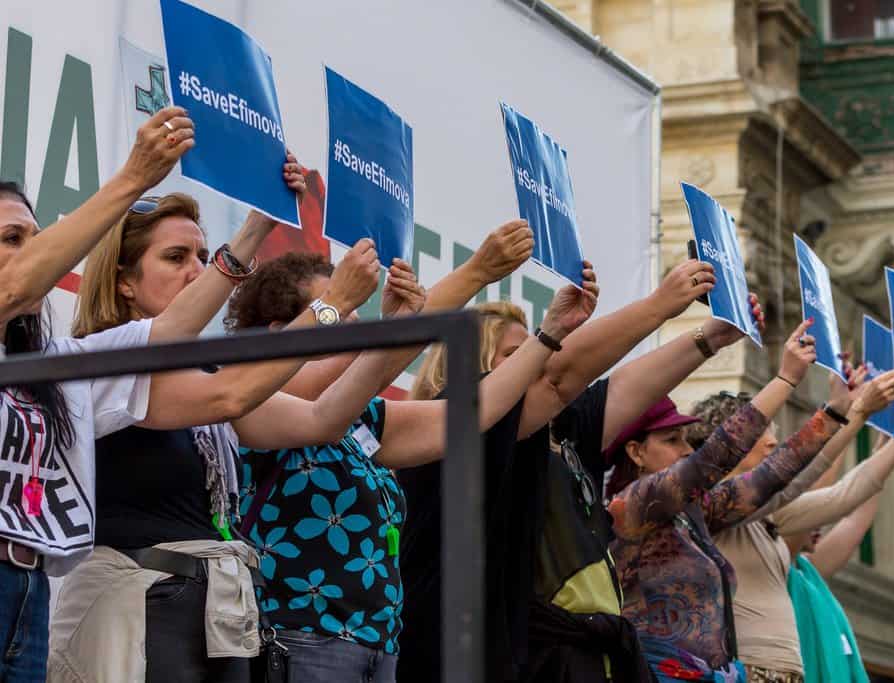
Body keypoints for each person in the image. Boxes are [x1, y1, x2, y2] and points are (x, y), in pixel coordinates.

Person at [48, 167, 422, 681]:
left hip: (216, 611)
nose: (197, 271)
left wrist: (396, 329)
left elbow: (322, 418)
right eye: (176, 258)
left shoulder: (201, 373)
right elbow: (233, 394)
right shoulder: (112, 365)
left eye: (202, 257)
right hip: (144, 608)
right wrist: (331, 306)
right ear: (124, 282)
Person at [222, 228, 597, 683]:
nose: (351, 323)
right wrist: (470, 275)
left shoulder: (363, 419)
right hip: (299, 643)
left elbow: (468, 416)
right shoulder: (250, 399)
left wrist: (548, 335)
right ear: (280, 335)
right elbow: (357, 368)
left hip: (377, 650)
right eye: (336, 312)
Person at [397, 257, 767, 682]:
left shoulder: (564, 429)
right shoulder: (455, 419)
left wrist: (711, 337)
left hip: (588, 651)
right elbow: (555, 376)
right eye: (516, 355)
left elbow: (627, 386)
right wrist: (660, 304)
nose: (534, 362)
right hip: (507, 655)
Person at [0, 107, 211, 683]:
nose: (32, 253)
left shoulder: (58, 365)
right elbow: (17, 285)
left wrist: (249, 243)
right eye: (10, 238)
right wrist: (133, 179)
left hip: (27, 584)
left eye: (37, 240)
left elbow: (172, 334)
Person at [605, 320, 858, 683]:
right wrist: (785, 379)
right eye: (672, 439)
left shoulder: (692, 513)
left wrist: (836, 412)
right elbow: (716, 455)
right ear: (636, 452)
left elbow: (772, 476)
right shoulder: (633, 504)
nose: (686, 449)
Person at [687, 367, 894, 683]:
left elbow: (842, 497)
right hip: (743, 668)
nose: (773, 442)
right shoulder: (709, 503)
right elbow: (803, 471)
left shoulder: (767, 514)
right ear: (730, 441)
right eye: (763, 432)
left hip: (784, 670)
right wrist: (855, 412)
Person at [783, 395, 894, 683]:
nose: (823, 524)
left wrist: (889, 443)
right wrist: (849, 409)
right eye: (815, 516)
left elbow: (855, 518)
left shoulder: (807, 572)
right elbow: (825, 492)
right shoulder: (776, 564)